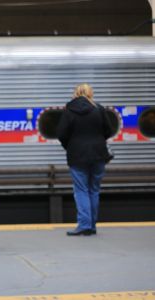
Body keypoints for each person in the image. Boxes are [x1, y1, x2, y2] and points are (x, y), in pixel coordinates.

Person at [57, 83, 113, 236]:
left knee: (81, 189)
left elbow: (61, 133)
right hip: (98, 154)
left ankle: (84, 224)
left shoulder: (70, 110)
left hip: (77, 155)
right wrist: (98, 140)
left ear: (75, 93)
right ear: (90, 93)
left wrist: (70, 146)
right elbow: (108, 130)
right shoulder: (99, 109)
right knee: (94, 189)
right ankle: (92, 225)